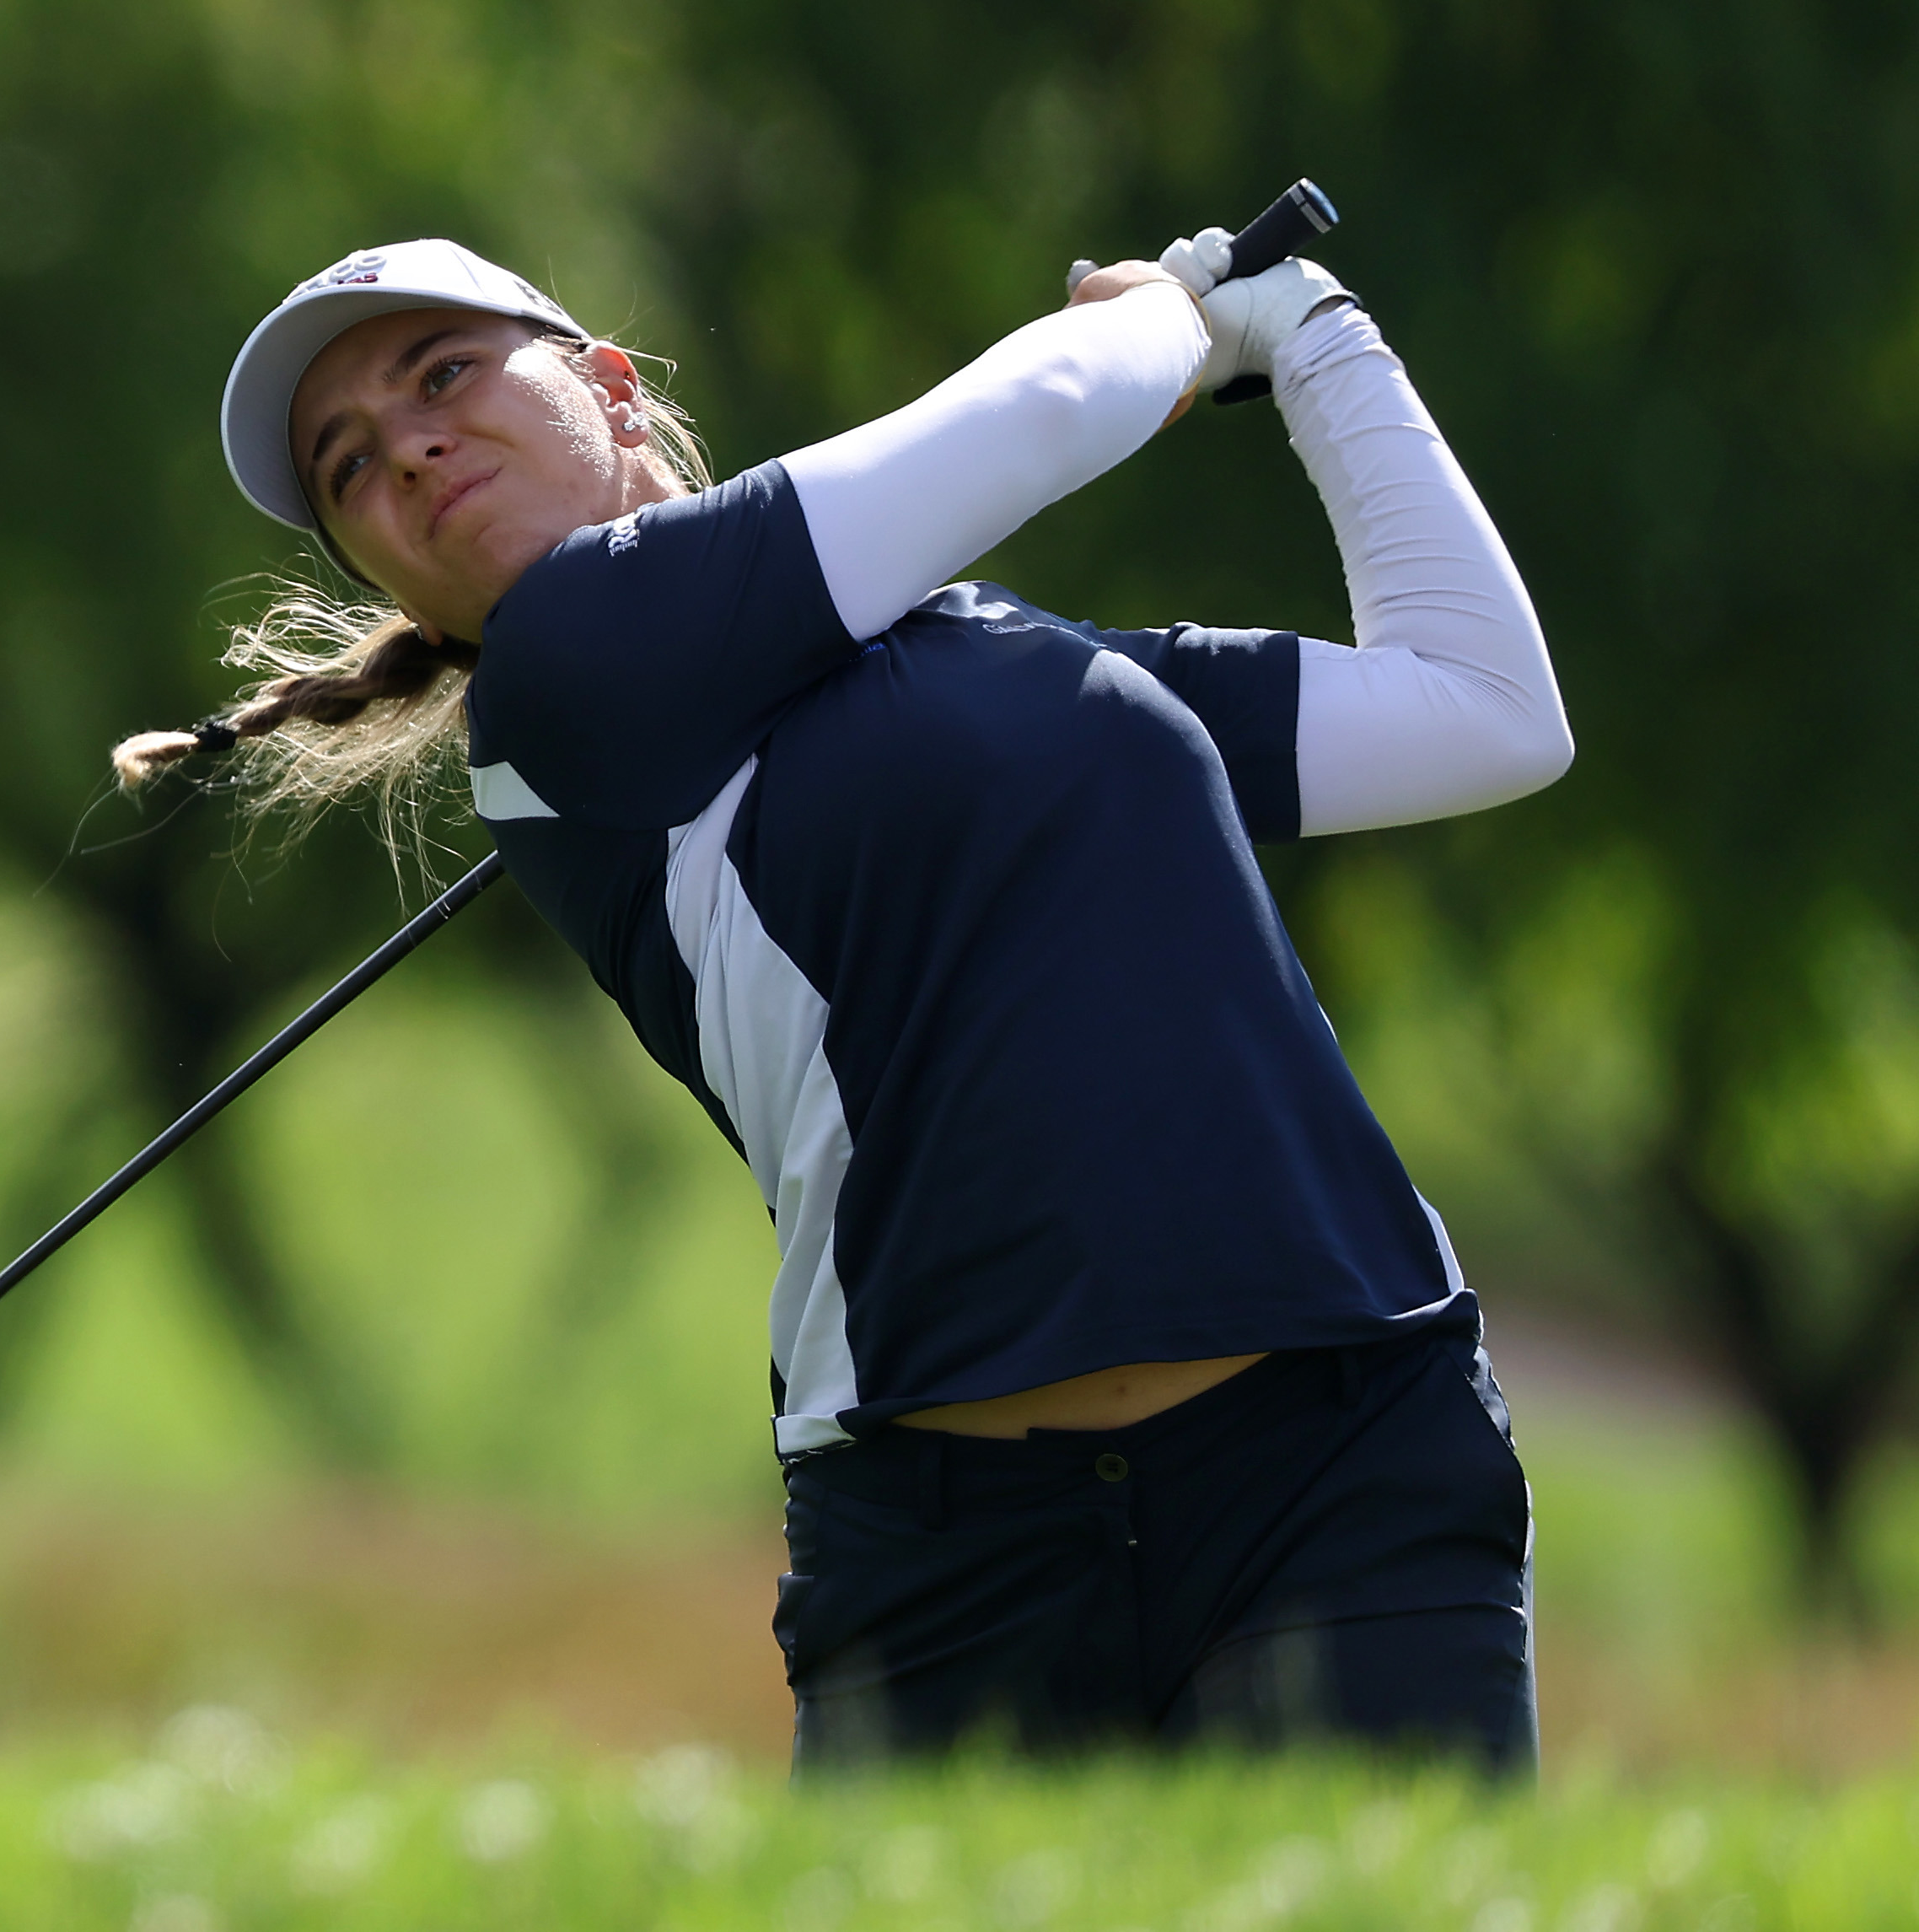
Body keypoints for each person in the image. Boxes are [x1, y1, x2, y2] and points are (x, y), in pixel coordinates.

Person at [115, 229, 1570, 1772]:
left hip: (1340, 1451)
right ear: (381, 570)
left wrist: (1316, 334)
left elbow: (1478, 714)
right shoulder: (565, 675)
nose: (402, 446)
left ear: (610, 387)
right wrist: (1171, 319)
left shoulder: (1003, 650)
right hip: (959, 1548)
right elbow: (1050, 406)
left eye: (444, 373)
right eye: (345, 465)